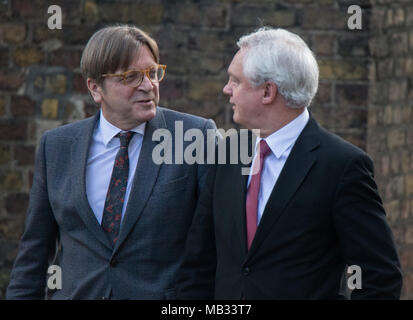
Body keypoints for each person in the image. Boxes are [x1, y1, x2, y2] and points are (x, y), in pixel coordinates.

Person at [177, 27, 403, 299]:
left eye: (235, 81)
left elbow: (380, 277)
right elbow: (198, 265)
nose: (227, 90)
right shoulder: (227, 153)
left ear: (268, 92)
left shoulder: (342, 166)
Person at [6, 25, 216, 300]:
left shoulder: (195, 136)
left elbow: (213, 246)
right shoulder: (56, 147)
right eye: (131, 77)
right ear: (95, 88)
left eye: (153, 73)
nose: (147, 85)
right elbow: (34, 250)